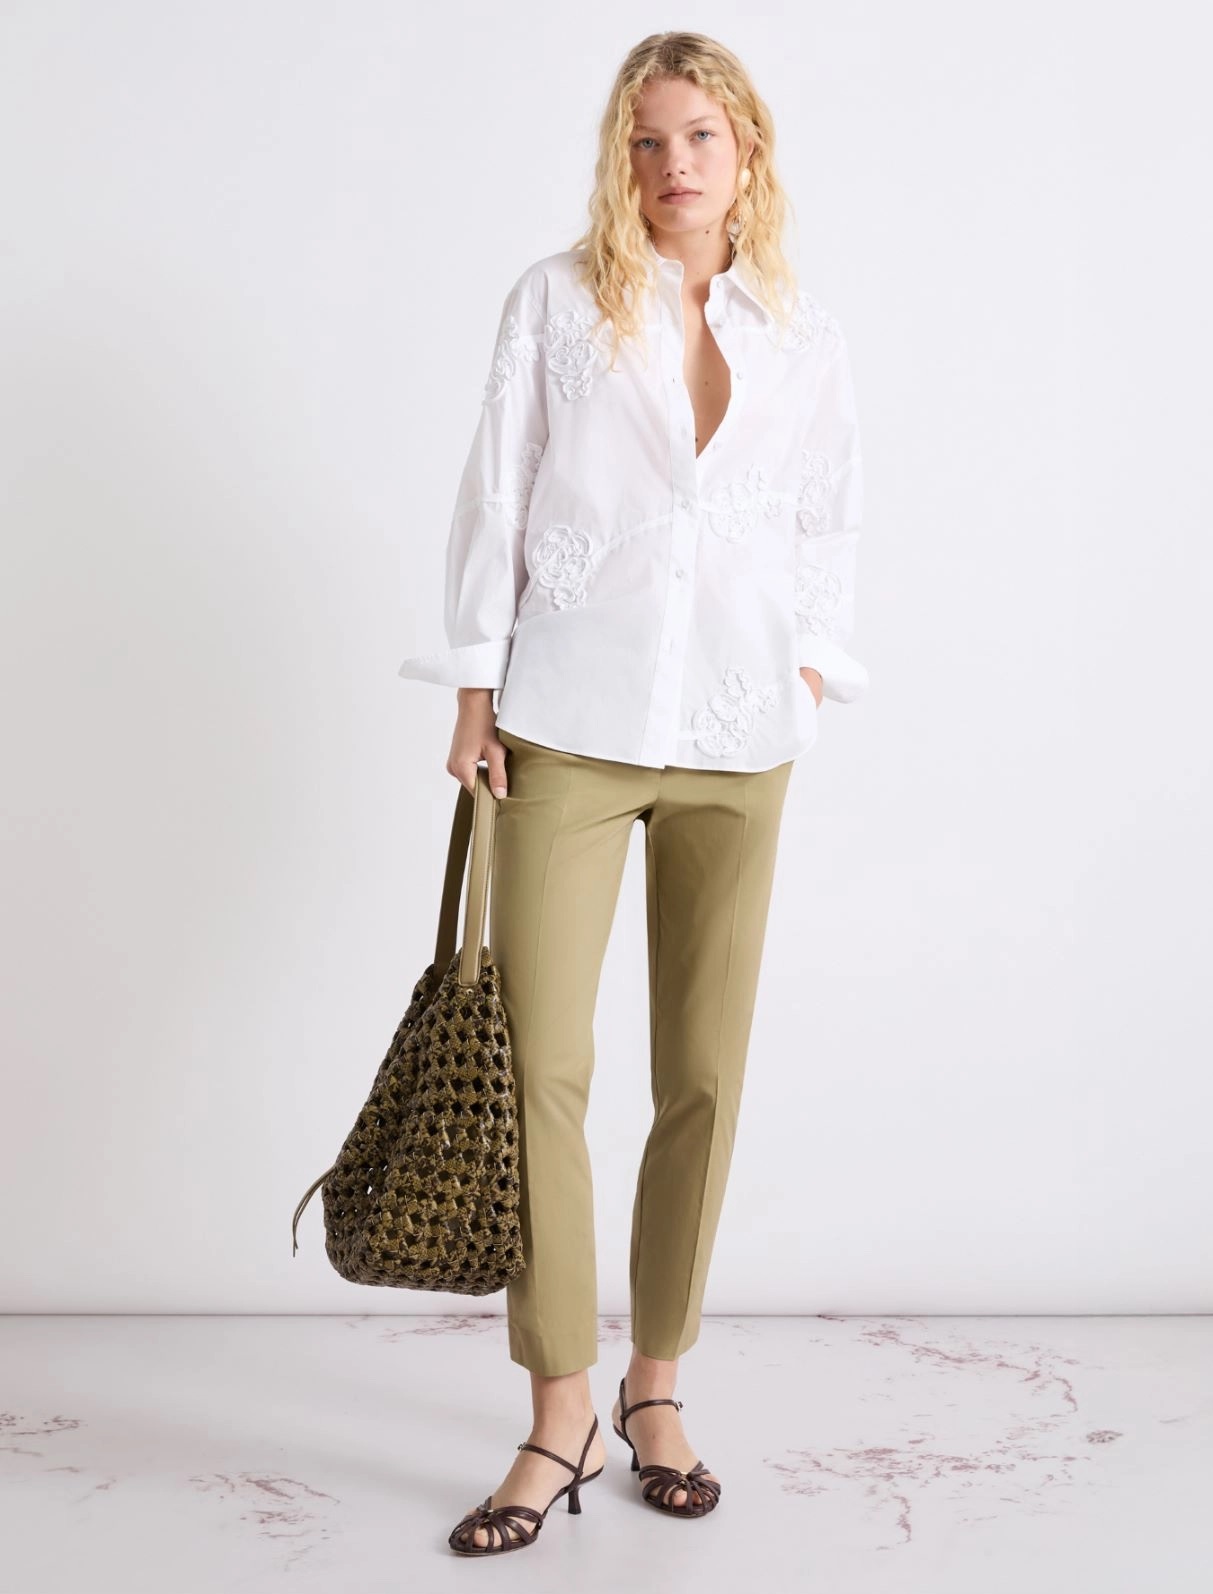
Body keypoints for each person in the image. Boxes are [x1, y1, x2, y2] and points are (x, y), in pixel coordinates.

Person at [396, 30, 868, 1556]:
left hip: (740, 735)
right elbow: (496, 490)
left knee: (703, 1073)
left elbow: (827, 515)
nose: (673, 165)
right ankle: (559, 1412)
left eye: (699, 138)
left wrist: (809, 669)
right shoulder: (555, 303)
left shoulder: (801, 328)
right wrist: (474, 687)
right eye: (647, 140)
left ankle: (655, 1387)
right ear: (620, 157)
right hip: (570, 722)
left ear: (746, 153)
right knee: (542, 1067)